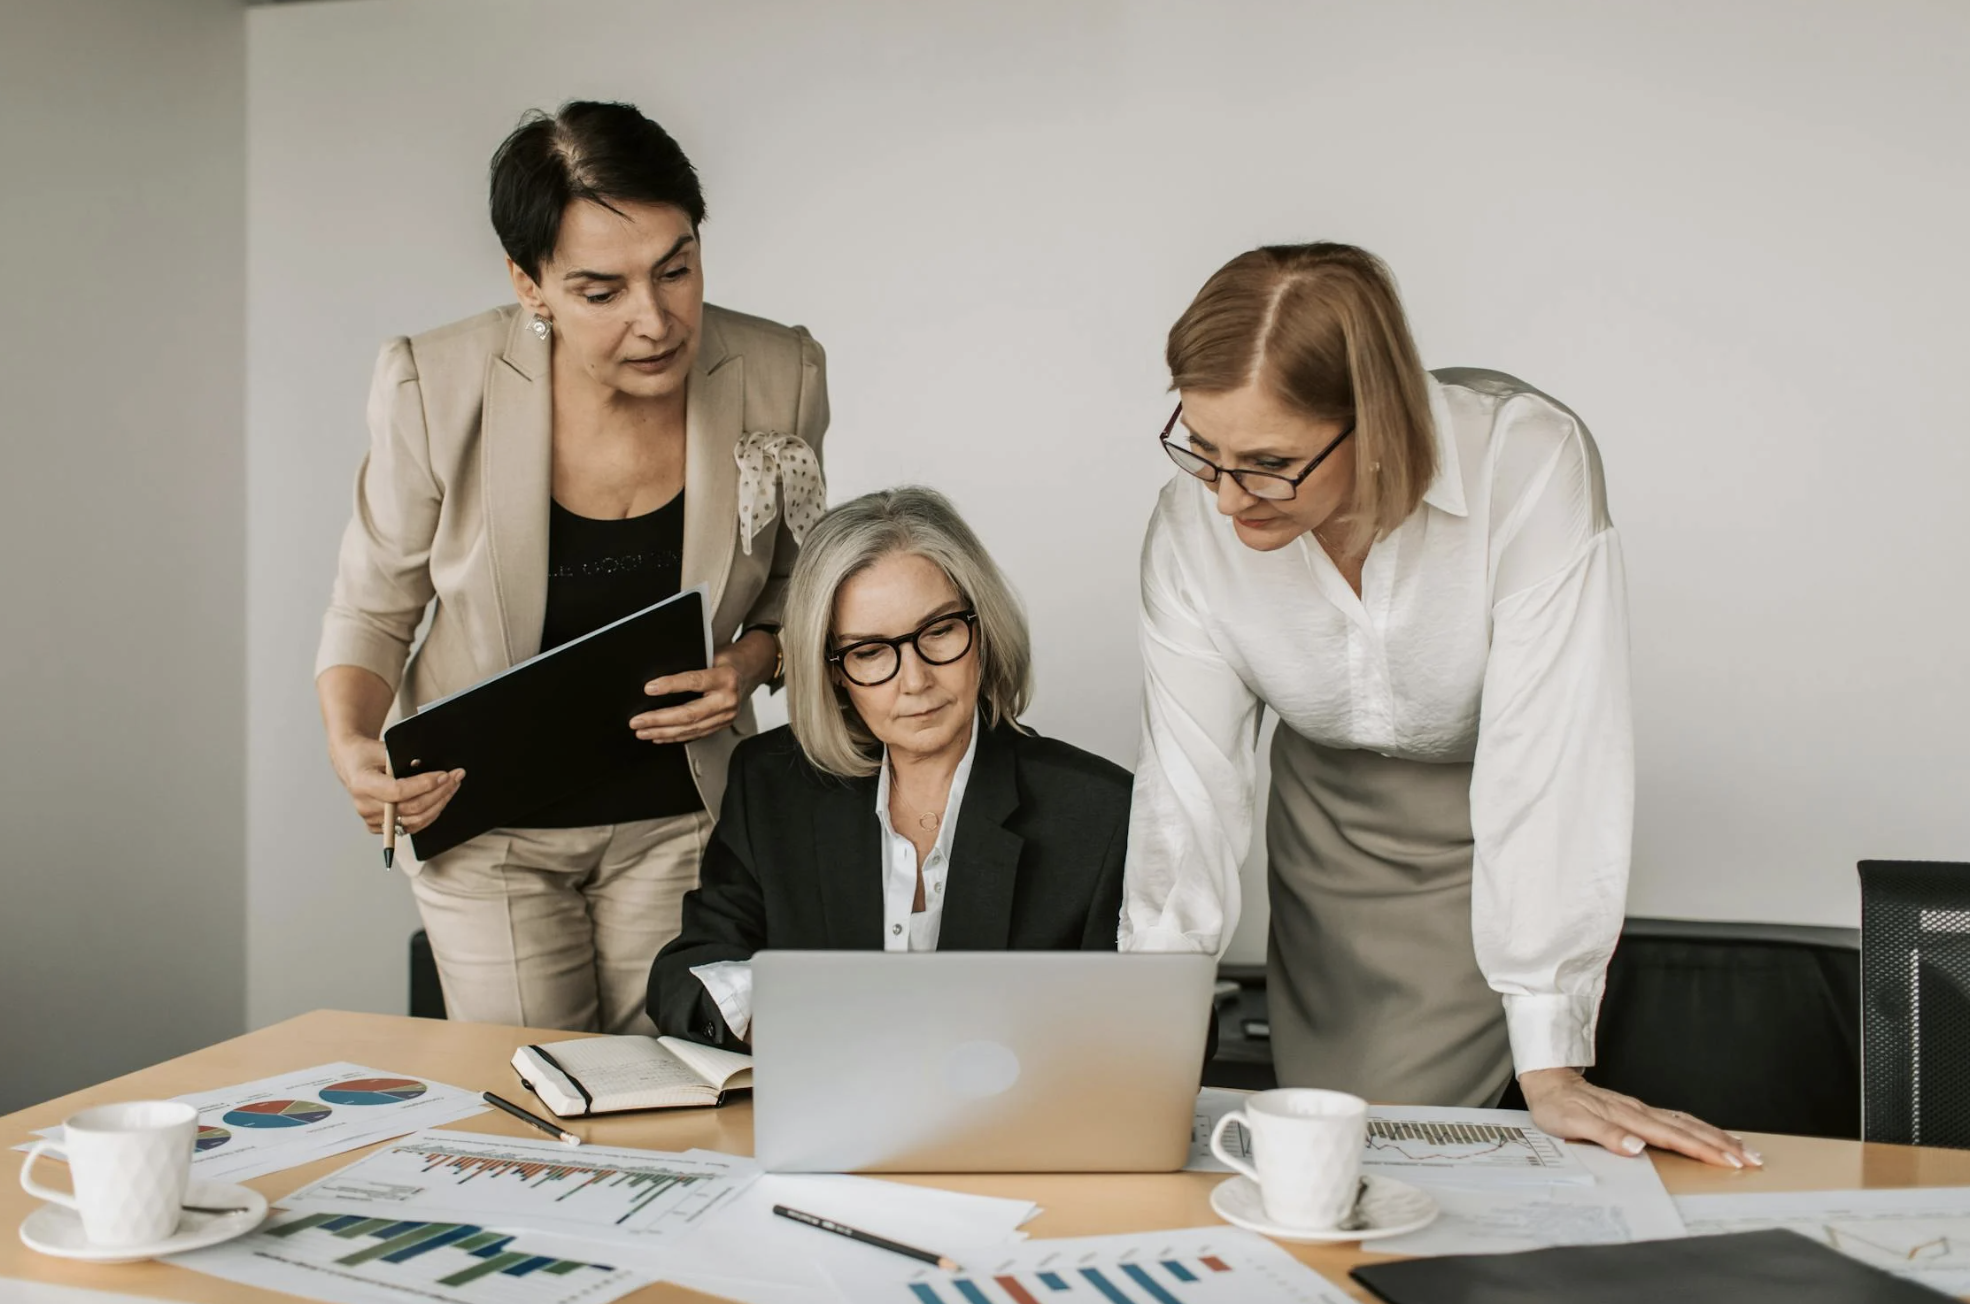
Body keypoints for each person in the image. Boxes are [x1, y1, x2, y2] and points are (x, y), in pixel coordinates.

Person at [1122, 242, 1758, 1168]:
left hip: (1495, 813)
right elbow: (1188, 792)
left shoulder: (1527, 463)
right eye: (1201, 450)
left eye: (1267, 463)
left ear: (1372, 422)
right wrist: (1147, 1040)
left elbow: (1549, 756)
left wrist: (1553, 1057)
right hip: (1329, 829)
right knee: (1335, 1140)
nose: (1224, 499)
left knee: (1418, 1150)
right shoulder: (1189, 530)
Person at [315, 101, 829, 1036]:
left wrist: (748, 667)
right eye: (602, 290)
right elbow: (373, 606)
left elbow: (804, 589)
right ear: (530, 282)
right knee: (538, 1095)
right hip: (486, 824)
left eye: (677, 269)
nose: (657, 320)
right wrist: (354, 747)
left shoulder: (779, 368)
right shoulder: (433, 384)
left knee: (678, 1090)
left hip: (684, 814)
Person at [649, 487, 1130, 1048]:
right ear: (832, 669)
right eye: (871, 651)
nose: (916, 680)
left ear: (983, 630)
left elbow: (1169, 1028)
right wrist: (772, 1007)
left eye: (939, 631)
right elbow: (685, 972)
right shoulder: (771, 783)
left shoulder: (1101, 812)